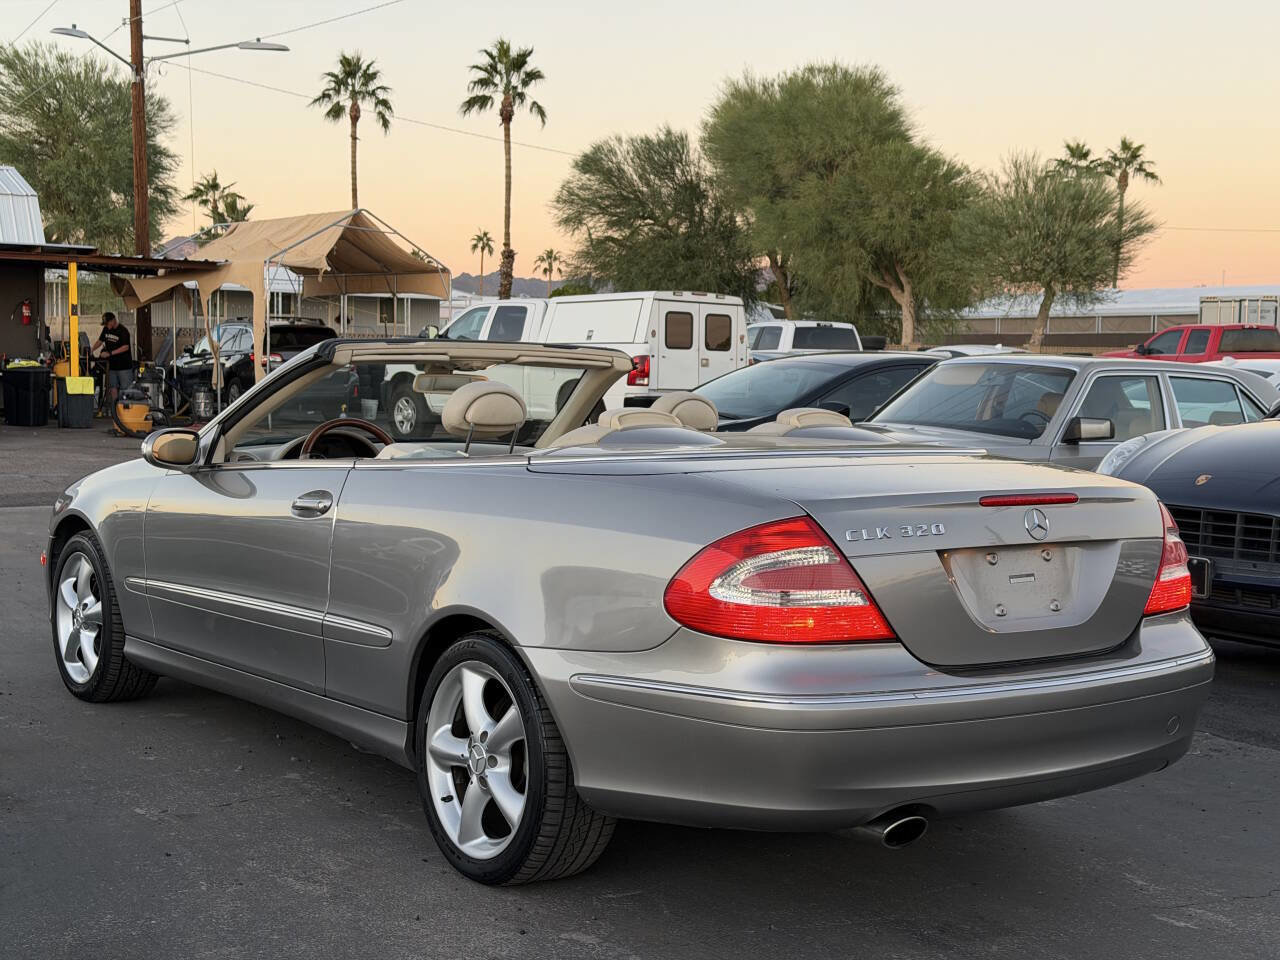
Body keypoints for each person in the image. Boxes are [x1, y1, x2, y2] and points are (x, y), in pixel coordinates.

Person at [91, 313, 133, 404]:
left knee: (125, 389)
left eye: (107, 323)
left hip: (124, 366)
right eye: (105, 324)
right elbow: (100, 341)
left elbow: (126, 347)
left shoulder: (123, 331)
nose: (106, 325)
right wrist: (92, 349)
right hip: (111, 366)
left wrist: (110, 353)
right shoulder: (106, 329)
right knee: (113, 387)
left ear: (113, 320)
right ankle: (115, 410)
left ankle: (125, 411)